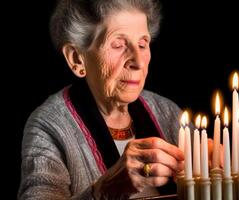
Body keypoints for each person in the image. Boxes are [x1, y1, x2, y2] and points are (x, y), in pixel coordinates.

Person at [18, 0, 221, 199]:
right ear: (77, 58)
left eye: (143, 44)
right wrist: (104, 191)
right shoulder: (48, 125)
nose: (138, 61)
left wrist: (217, 170)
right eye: (118, 45)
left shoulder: (166, 111)